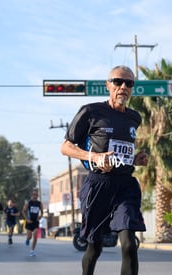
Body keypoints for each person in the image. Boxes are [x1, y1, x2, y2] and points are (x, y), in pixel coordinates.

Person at [60, 65, 148, 275]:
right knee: (94, 247)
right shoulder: (91, 111)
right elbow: (65, 147)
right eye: (118, 82)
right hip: (98, 184)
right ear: (108, 85)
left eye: (129, 83)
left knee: (129, 244)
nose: (123, 87)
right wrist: (94, 157)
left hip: (125, 185)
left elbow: (121, 152)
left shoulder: (134, 118)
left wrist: (135, 159)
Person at [22, 189, 43, 257]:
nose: (35, 196)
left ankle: (32, 251)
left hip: (35, 221)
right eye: (34, 194)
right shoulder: (28, 203)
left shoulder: (39, 203)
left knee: (35, 236)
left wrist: (40, 216)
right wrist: (27, 219)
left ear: (38, 196)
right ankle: (27, 239)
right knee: (30, 236)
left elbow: (42, 212)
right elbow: (23, 211)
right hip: (29, 221)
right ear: (31, 195)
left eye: (36, 195)